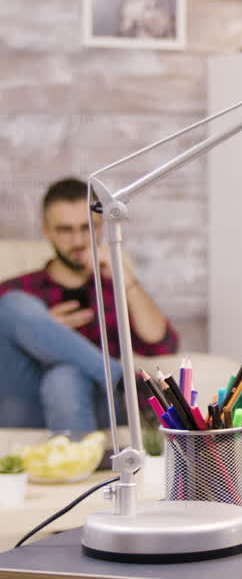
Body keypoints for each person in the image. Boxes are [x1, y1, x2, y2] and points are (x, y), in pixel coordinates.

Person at [0, 178, 179, 432]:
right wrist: (43, 330)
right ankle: (121, 379)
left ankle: (73, 461)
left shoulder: (112, 287)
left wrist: (127, 282)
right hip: (28, 404)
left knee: (63, 378)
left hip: (100, 403)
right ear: (46, 231)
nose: (78, 240)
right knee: (11, 305)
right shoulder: (19, 289)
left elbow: (162, 345)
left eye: (88, 227)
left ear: (102, 227)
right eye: (65, 229)